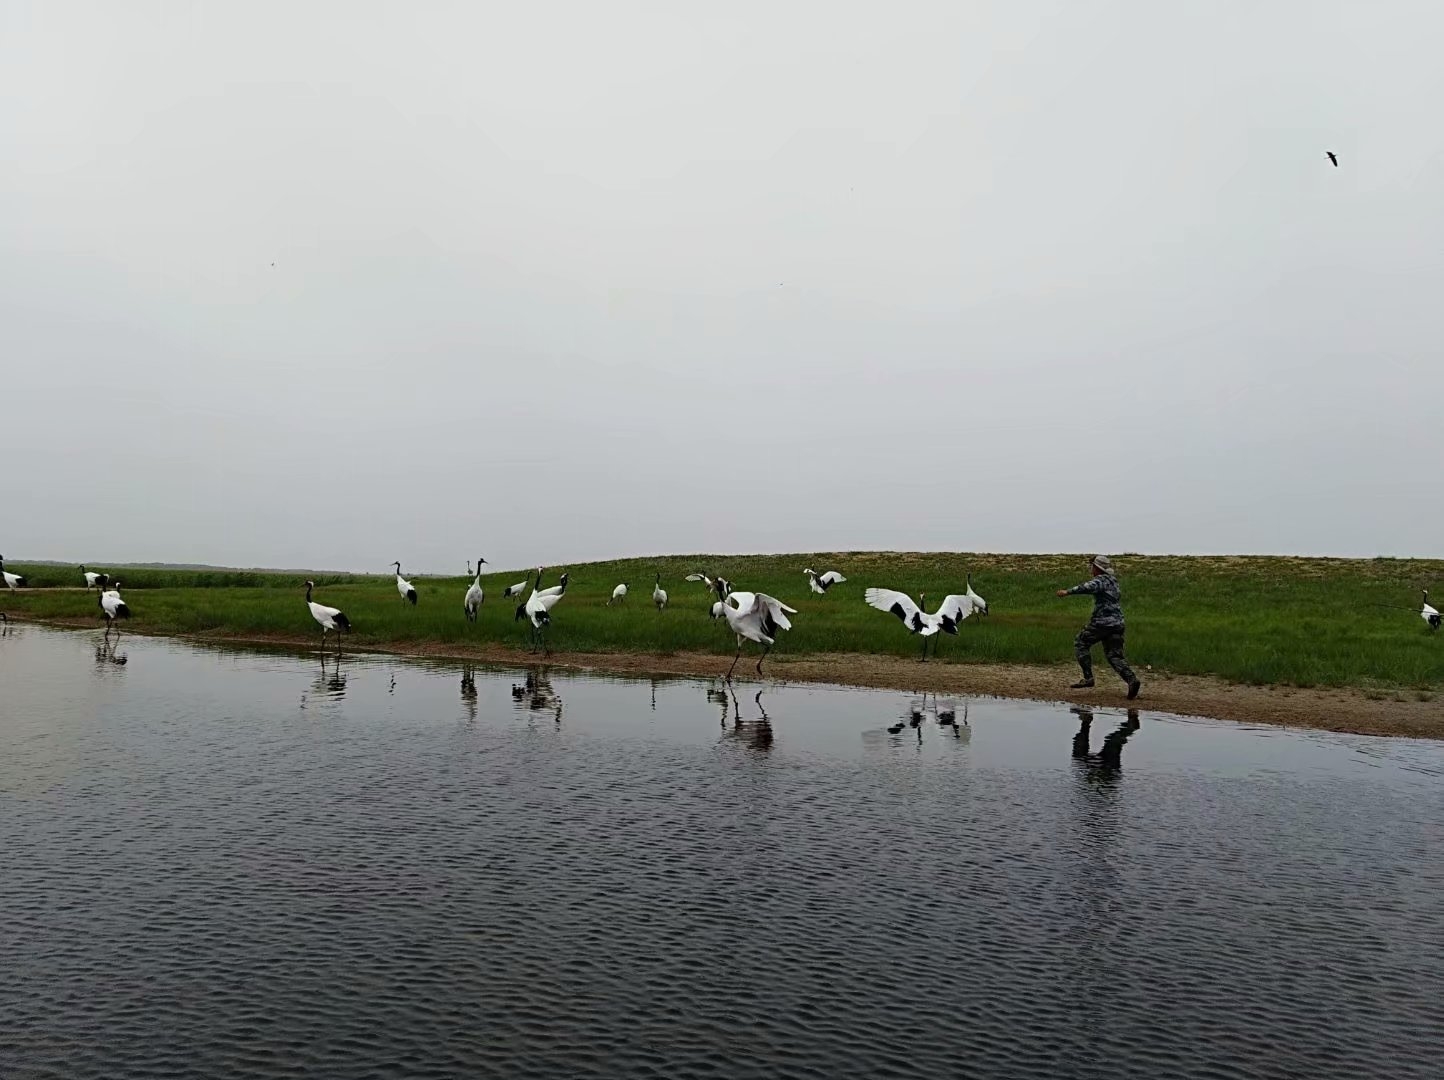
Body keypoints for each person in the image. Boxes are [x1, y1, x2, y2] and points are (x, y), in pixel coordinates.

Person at [1055, 555, 1141, 699]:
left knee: (1081, 642)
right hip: (1118, 623)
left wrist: (1067, 592)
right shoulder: (1114, 581)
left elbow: (1087, 587)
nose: (1090, 569)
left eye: (1092, 567)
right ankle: (1132, 680)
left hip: (1102, 623)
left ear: (1096, 568)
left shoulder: (1100, 581)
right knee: (1114, 656)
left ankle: (1088, 678)